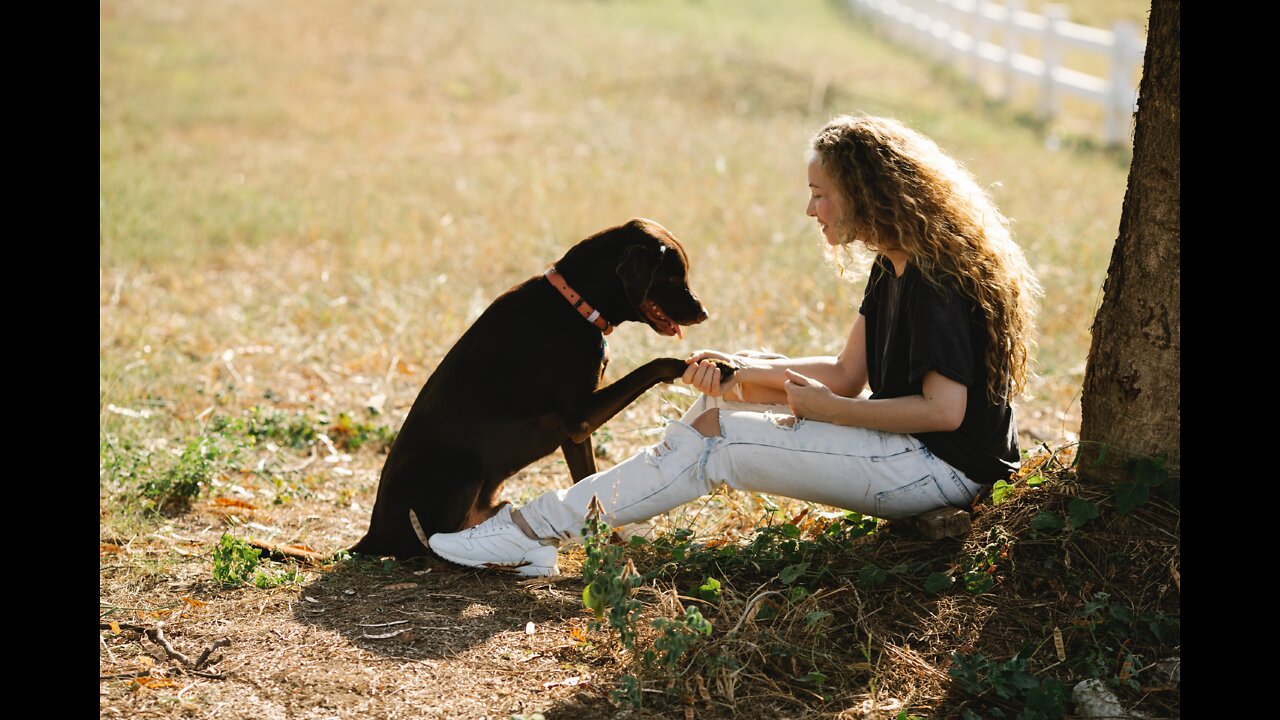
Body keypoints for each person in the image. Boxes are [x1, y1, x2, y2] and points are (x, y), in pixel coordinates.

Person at [427, 114, 1041, 577]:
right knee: (711, 413)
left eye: (821, 194)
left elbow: (943, 412)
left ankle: (527, 528)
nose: (811, 209)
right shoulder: (894, 265)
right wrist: (742, 371)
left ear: (868, 192)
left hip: (942, 471)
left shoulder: (935, 281)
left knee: (719, 440)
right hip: (909, 450)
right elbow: (846, 372)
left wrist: (829, 411)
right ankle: (534, 541)